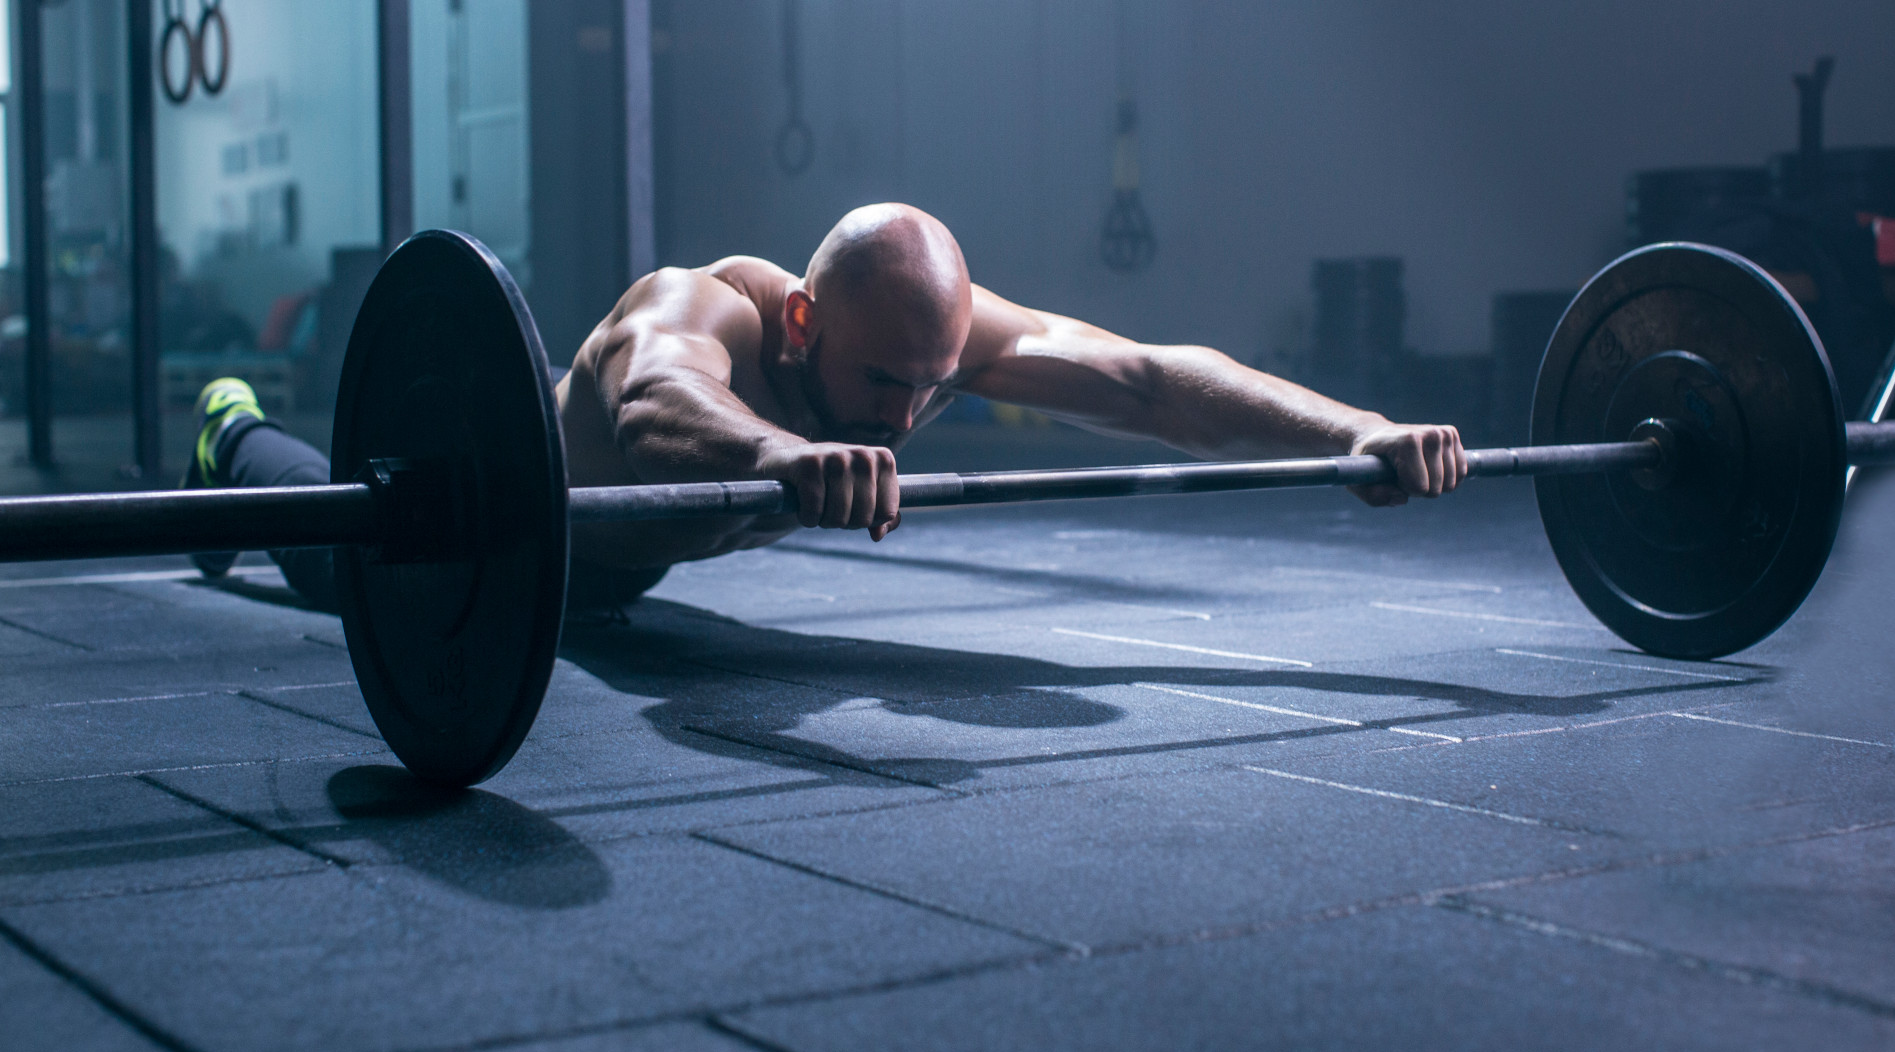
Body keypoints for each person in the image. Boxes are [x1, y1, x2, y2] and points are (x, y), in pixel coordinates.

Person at [187, 203, 1466, 612]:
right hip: (499, 523)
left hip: (622, 576)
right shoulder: (701, 310)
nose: (908, 418)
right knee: (333, 540)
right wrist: (784, 452)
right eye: (881, 388)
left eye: (933, 384)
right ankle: (230, 433)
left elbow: (1147, 379)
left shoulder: (914, 338)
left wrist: (1351, 431)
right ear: (804, 322)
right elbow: (653, 410)